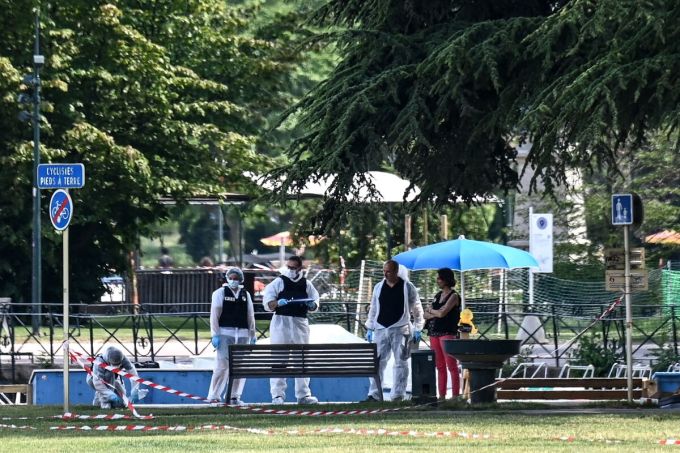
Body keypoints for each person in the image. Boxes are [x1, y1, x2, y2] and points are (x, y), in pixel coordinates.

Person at [262, 255, 320, 404]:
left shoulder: (306, 284)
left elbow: (315, 300)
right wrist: (277, 303)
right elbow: (268, 302)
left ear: (300, 268)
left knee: (301, 360)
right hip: (281, 323)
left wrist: (313, 305)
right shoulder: (279, 282)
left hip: (300, 323)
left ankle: (303, 395)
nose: (291, 270)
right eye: (289, 267)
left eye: (294, 268)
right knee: (279, 359)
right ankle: (277, 395)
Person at [365, 259, 424, 402]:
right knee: (377, 362)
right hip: (380, 328)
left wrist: (418, 327)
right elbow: (373, 308)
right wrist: (370, 326)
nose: (385, 274)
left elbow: (416, 308)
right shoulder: (378, 287)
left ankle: (398, 394)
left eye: (389, 271)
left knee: (400, 362)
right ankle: (375, 394)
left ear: (396, 272)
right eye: (384, 271)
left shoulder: (408, 287)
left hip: (400, 328)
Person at [207, 267, 256, 405]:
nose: (233, 281)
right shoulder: (220, 293)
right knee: (222, 365)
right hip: (224, 333)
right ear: (227, 278)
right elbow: (214, 315)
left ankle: (235, 396)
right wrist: (215, 334)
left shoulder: (246, 295)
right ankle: (214, 395)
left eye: (236, 278)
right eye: (231, 278)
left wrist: (252, 335)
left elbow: (250, 315)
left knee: (240, 366)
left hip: (242, 334)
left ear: (241, 279)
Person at [423, 268, 461, 399]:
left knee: (451, 365)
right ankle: (442, 395)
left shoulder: (454, 296)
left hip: (447, 332)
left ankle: (456, 395)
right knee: (439, 366)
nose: (437, 280)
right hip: (434, 333)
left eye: (439, 278)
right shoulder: (438, 296)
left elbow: (441, 313)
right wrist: (433, 312)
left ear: (446, 279)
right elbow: (425, 314)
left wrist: (432, 311)